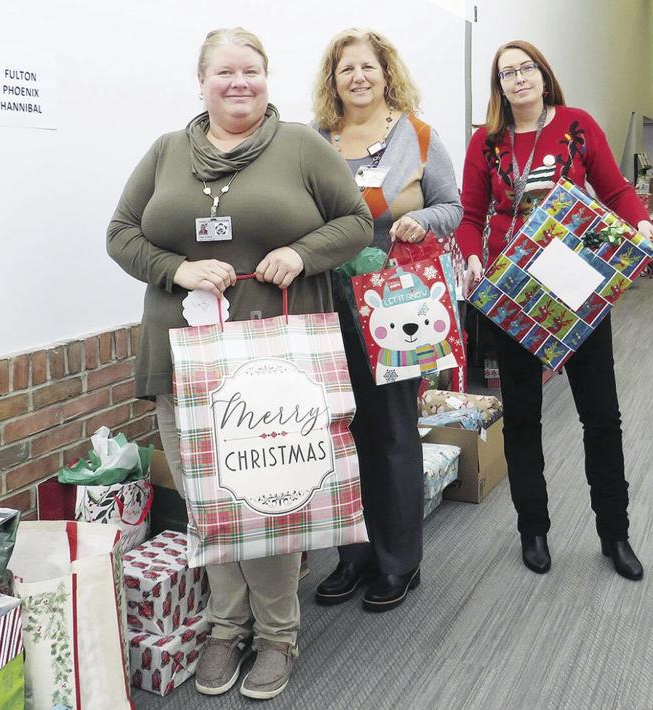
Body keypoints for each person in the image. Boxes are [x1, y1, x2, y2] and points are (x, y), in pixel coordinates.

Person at [106, 27, 371, 700]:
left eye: (251, 70)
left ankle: (278, 633)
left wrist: (304, 252)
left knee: (269, 496)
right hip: (185, 356)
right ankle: (227, 626)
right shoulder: (167, 152)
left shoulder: (302, 146)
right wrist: (178, 268)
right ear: (201, 80)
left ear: (266, 76)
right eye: (225, 71)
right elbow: (121, 234)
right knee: (207, 499)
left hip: (273, 362)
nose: (239, 83)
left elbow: (355, 223)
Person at [455, 40, 653, 581]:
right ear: (498, 86)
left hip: (576, 287)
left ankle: (614, 534)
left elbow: (615, 189)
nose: (519, 78)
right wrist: (475, 255)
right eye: (507, 73)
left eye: (527, 68)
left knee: (601, 415)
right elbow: (470, 214)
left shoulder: (576, 125)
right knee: (523, 417)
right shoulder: (486, 142)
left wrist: (639, 220)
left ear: (544, 76)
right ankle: (534, 530)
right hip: (514, 293)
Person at [308, 28, 462, 612]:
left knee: (394, 433)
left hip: (398, 308)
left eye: (367, 67)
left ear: (386, 73)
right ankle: (355, 557)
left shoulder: (418, 136)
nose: (358, 78)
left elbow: (453, 206)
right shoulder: (317, 141)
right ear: (334, 80)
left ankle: (399, 561)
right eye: (346, 69)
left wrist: (424, 221)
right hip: (327, 304)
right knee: (341, 432)